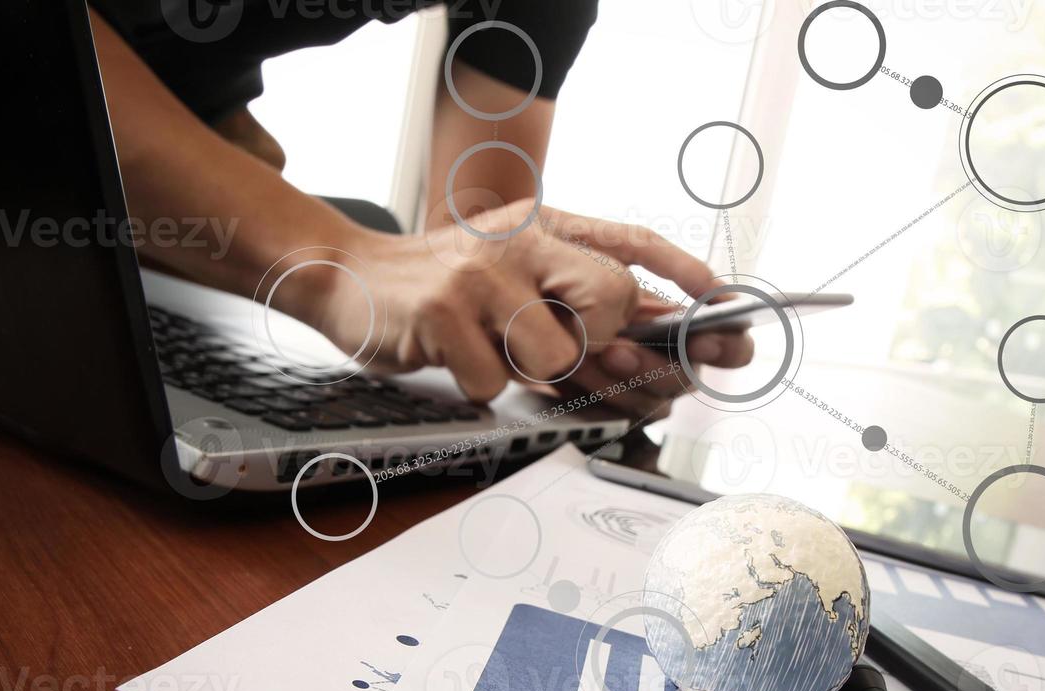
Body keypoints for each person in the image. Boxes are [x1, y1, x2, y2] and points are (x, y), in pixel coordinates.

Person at [87, 1, 754, 416]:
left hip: (187, 152)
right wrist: (340, 265)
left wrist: (540, 333)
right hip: (17, 142)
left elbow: (469, 247)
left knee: (381, 242)